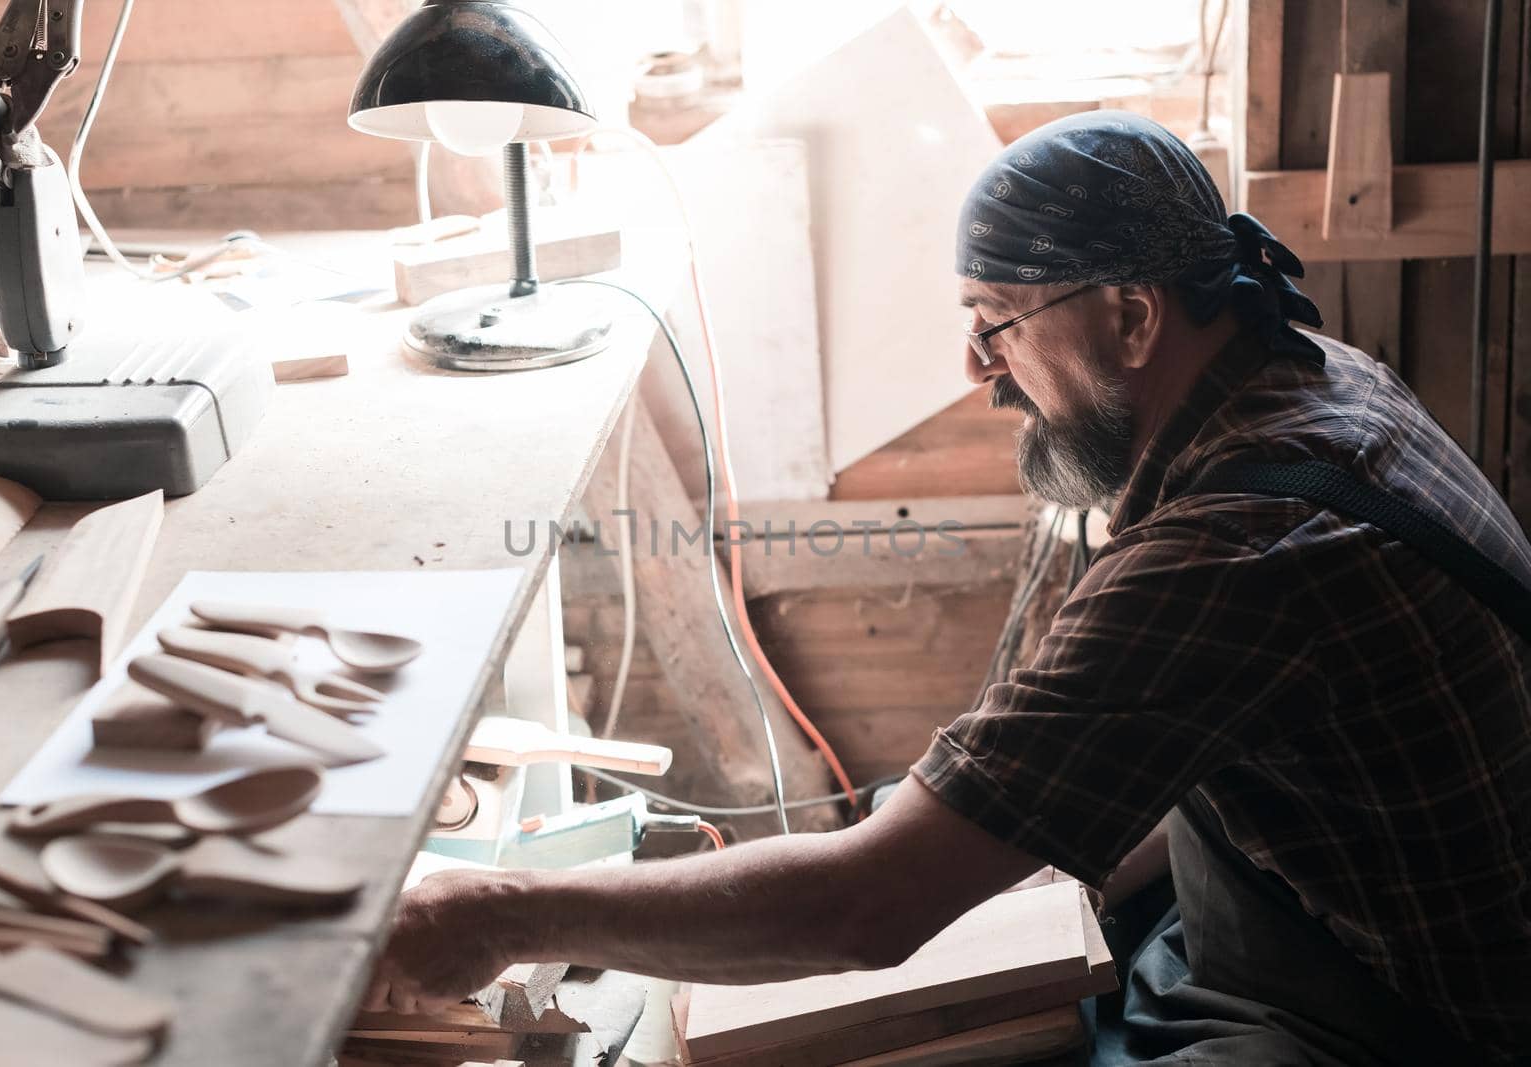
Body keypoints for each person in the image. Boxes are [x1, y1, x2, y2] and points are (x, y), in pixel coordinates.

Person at [362, 113, 1531, 1065]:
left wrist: (498, 911)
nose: (978, 371)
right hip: (1334, 919)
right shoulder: (1317, 377)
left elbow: (862, 910)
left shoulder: (1234, 547)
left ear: (1132, 317)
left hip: (1412, 1018)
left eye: (996, 324)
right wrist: (1003, 838)